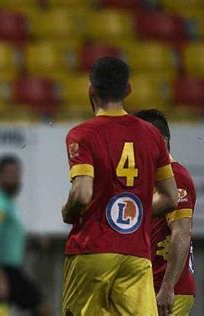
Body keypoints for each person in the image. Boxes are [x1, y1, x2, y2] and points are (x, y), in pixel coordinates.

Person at [60, 57, 179, 315]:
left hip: (92, 251)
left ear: (91, 90)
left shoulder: (83, 134)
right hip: (136, 254)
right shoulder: (153, 136)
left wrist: (68, 211)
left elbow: (81, 194)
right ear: (128, 90)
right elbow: (170, 198)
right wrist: (133, 212)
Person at [135, 109, 196, 316]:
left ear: (159, 142)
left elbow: (182, 232)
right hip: (150, 288)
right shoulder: (153, 179)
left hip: (168, 292)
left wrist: (168, 287)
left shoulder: (176, 177)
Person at [0, 155, 51, 316]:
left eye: (17, 175)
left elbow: (10, 240)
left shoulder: (9, 205)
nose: (15, 179)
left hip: (10, 270)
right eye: (10, 175)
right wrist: (0, 278)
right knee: (41, 308)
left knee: (40, 307)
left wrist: (34, 243)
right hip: (1, 272)